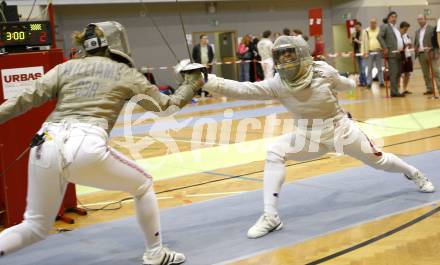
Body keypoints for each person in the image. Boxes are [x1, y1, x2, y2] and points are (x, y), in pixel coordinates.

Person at [0, 21, 204, 265]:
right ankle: (156, 253)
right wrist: (192, 83)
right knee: (144, 184)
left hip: (45, 143)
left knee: (35, 226)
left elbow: (23, 99)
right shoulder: (126, 74)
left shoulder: (65, 68)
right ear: (118, 45)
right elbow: (165, 107)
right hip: (84, 144)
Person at [202, 36, 435, 239]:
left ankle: (414, 173)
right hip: (307, 135)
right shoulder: (278, 83)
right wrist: (207, 80)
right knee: (275, 152)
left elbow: (345, 84)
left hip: (340, 130)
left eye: (289, 54)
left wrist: (347, 82)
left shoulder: (323, 70)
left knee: (380, 161)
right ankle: (270, 216)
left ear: (301, 54)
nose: (285, 60)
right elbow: (243, 89)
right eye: (281, 56)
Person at [377, 11, 406, 97]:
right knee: (394, 73)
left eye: (395, 17)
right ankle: (394, 92)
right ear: (389, 18)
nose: (394, 18)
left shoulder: (396, 28)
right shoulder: (385, 26)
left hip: (399, 54)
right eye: (392, 17)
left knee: (398, 73)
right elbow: (379, 36)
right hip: (391, 54)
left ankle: (395, 90)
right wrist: (385, 47)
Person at [414, 14, 440, 96]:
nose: (420, 21)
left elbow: (436, 41)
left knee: (436, 71)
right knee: (425, 73)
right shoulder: (417, 31)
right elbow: (416, 42)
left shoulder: (432, 29)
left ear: (425, 19)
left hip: (431, 53)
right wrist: (416, 49)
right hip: (421, 54)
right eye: (418, 19)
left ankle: (439, 87)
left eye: (421, 19)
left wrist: (435, 51)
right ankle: (429, 89)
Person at [361, 18, 385, 89]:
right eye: (371, 22)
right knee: (369, 69)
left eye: (374, 22)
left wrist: (383, 49)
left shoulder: (379, 30)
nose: (373, 24)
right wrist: (363, 52)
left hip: (378, 51)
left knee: (379, 68)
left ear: (376, 23)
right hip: (369, 52)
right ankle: (369, 83)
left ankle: (381, 82)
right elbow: (363, 43)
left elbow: (382, 40)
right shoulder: (366, 31)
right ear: (370, 23)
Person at [400, 21, 413, 94]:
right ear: (401, 28)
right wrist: (405, 46)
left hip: (408, 56)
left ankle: (405, 88)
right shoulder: (398, 36)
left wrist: (410, 45)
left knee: (408, 73)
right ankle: (400, 89)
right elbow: (399, 47)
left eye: (407, 29)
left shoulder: (406, 35)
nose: (406, 31)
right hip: (401, 57)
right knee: (401, 73)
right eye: (405, 29)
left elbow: (410, 45)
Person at [352, 21, 367, 87]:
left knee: (363, 67)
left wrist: (357, 41)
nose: (356, 29)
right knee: (360, 68)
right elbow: (352, 43)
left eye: (357, 27)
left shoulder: (364, 33)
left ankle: (365, 82)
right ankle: (361, 82)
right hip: (356, 52)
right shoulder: (354, 33)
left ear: (360, 26)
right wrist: (352, 40)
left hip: (362, 51)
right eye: (355, 27)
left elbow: (363, 43)